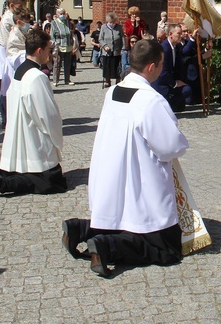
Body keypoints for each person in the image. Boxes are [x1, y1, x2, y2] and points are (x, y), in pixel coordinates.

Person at [61, 39, 189, 277]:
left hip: (114, 173)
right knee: (165, 248)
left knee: (119, 219)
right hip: (141, 179)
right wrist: (181, 144)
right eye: (161, 64)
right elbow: (168, 145)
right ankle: (107, 247)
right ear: (152, 67)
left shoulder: (114, 91)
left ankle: (81, 230)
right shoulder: (150, 100)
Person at [0, 29, 67, 196]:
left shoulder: (20, 70)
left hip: (21, 131)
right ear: (39, 50)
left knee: (22, 170)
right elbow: (47, 114)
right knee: (50, 183)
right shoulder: (37, 77)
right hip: (34, 139)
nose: (49, 53)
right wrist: (55, 136)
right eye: (48, 49)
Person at [151, 23, 190, 112]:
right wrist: (175, 84)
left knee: (186, 91)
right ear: (170, 34)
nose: (181, 36)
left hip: (169, 82)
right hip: (161, 85)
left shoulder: (176, 47)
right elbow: (163, 72)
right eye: (178, 34)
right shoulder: (164, 48)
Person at [51, 8, 75, 86]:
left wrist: (72, 44)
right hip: (59, 46)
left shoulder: (68, 22)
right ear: (57, 14)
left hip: (68, 46)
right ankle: (55, 80)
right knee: (57, 64)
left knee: (67, 64)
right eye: (60, 13)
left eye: (63, 13)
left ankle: (67, 80)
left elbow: (71, 34)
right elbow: (52, 36)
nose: (62, 15)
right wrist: (54, 46)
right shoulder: (54, 23)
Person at [100, 13, 124, 88]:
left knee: (117, 66)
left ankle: (118, 80)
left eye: (114, 22)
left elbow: (122, 38)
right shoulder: (103, 27)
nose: (112, 24)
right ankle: (107, 81)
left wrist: (122, 49)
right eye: (111, 22)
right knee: (107, 66)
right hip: (107, 51)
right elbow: (100, 38)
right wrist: (104, 46)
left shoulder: (119, 27)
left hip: (117, 51)